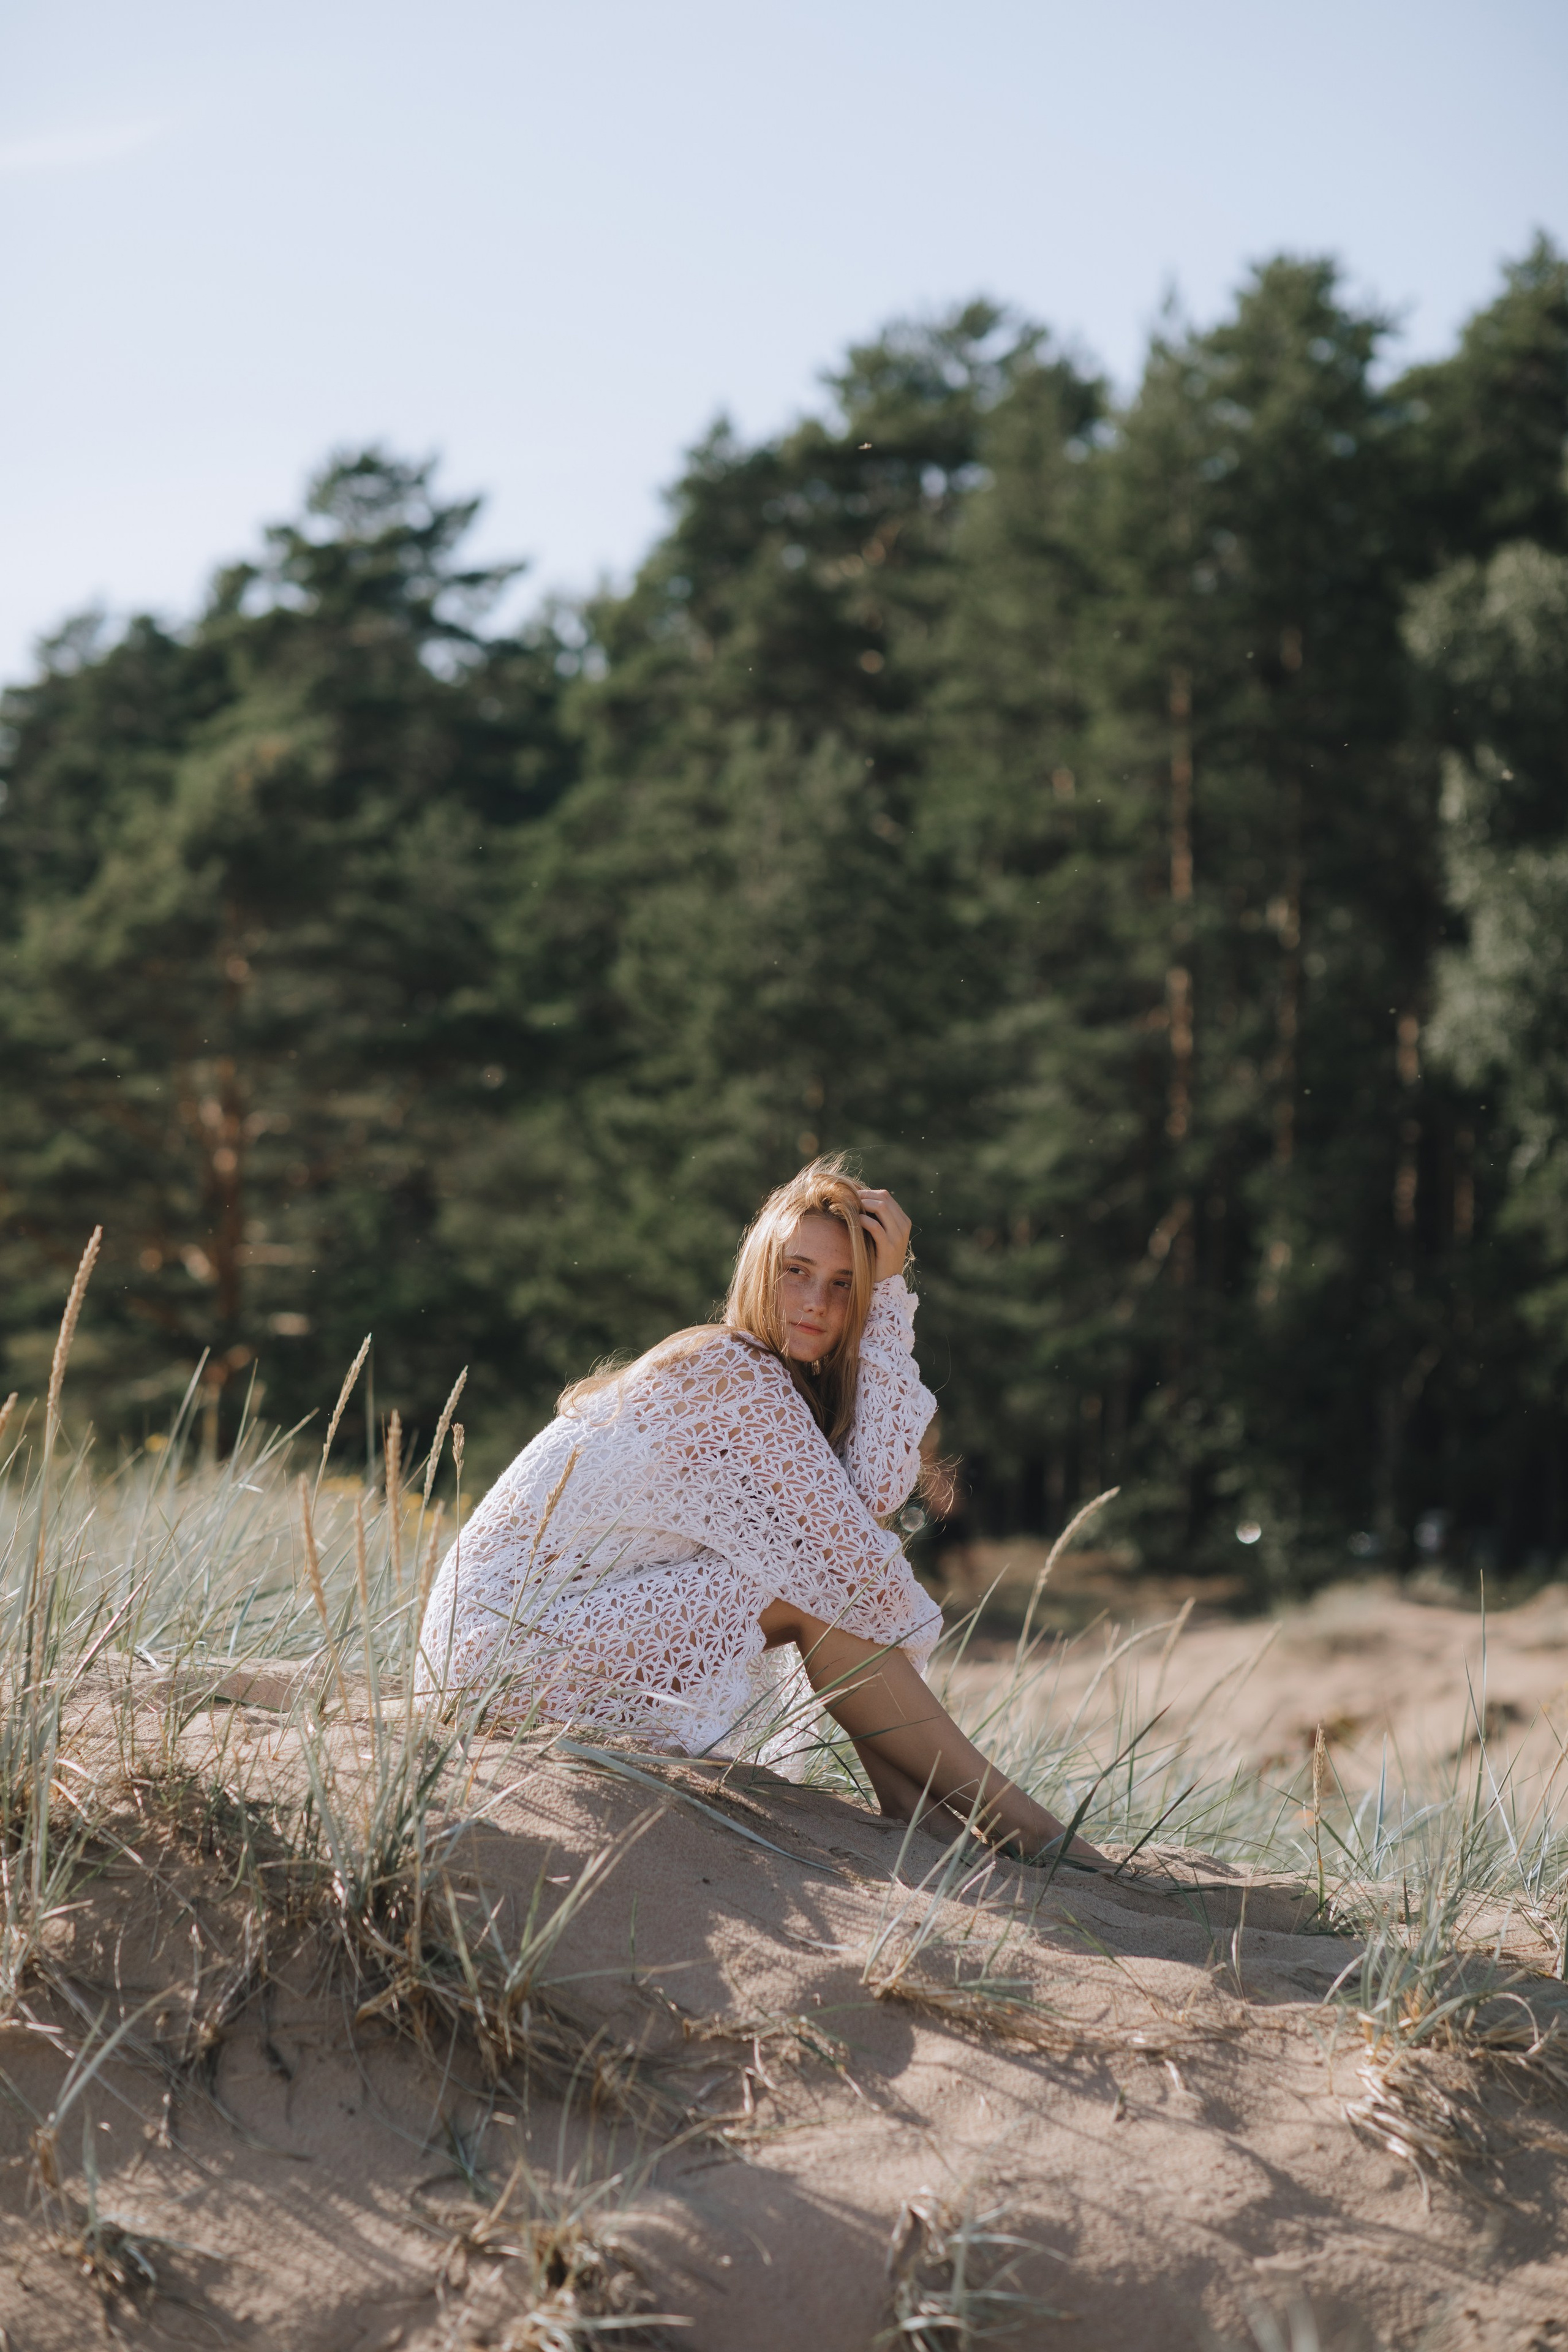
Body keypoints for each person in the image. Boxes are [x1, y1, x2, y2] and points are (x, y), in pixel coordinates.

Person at [417, 1159, 1101, 1868]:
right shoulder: (729, 1367)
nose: (816, 1303)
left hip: (524, 1643)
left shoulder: (773, 1385)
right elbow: (860, 1524)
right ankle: (1027, 1830)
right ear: (757, 1269)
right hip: (497, 1652)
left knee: (816, 1585)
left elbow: (861, 1512)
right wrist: (891, 1302)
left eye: (846, 1287)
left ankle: (922, 1812)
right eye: (795, 1271)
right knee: (809, 1591)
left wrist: (887, 1294)